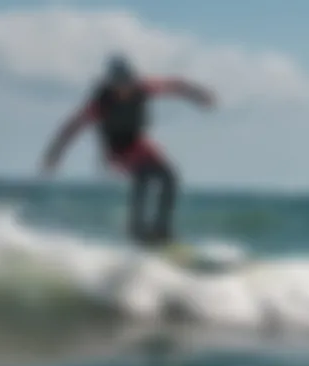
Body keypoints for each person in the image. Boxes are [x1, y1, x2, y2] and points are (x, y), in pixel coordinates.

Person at [41, 54, 216, 246]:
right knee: (144, 175)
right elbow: (71, 128)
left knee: (169, 176)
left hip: (139, 144)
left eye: (127, 82)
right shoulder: (100, 104)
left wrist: (200, 95)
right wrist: (54, 155)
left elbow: (175, 85)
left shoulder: (143, 88)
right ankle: (137, 229)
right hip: (116, 152)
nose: (124, 88)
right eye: (119, 84)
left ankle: (162, 231)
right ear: (111, 84)